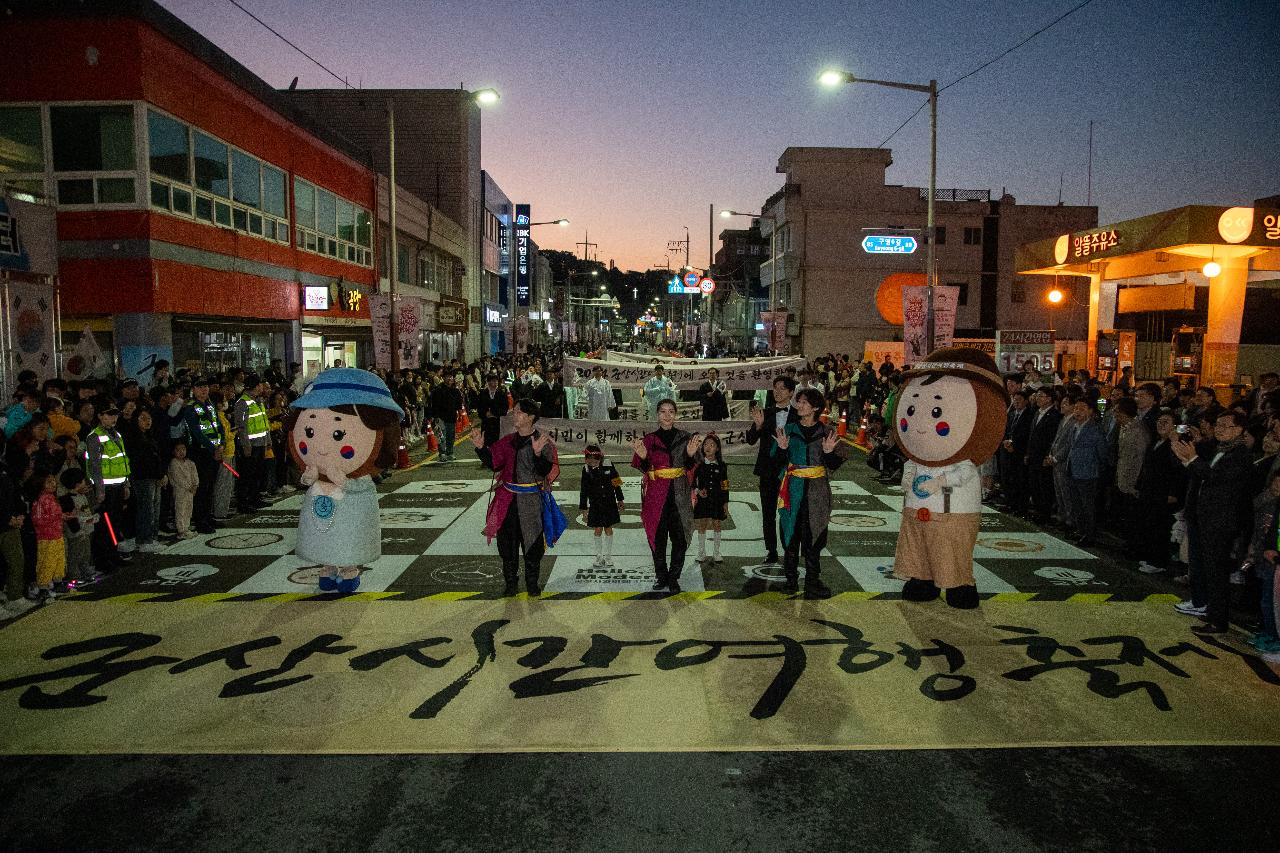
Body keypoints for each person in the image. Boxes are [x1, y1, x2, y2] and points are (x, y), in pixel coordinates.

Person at [1172, 410, 1254, 635]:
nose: (1218, 428)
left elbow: (1215, 478)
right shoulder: (1218, 449)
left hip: (1220, 521)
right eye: (1217, 424)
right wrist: (1189, 457)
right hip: (1203, 517)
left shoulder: (1241, 455)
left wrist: (1193, 459)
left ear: (1239, 430)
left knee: (1217, 572)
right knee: (1204, 567)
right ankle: (1206, 607)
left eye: (1224, 425)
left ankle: (1218, 620)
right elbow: (1201, 471)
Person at [472, 398, 561, 596]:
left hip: (531, 502)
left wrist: (537, 454)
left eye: (519, 412)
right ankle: (511, 583)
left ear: (530, 417)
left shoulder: (542, 442)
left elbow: (545, 471)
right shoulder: (507, 441)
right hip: (507, 500)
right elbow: (495, 463)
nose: (515, 415)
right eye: (514, 412)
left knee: (533, 543)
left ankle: (532, 583)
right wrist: (481, 449)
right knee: (507, 544)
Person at [772, 389, 845, 597]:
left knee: (815, 534)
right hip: (792, 489)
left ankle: (812, 582)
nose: (799, 405)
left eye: (804, 403)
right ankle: (791, 581)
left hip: (817, 491)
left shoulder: (827, 432)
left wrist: (830, 453)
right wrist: (782, 449)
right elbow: (777, 461)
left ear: (815, 408)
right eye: (799, 402)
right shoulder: (788, 429)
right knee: (790, 532)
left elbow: (835, 464)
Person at [631, 399, 700, 592]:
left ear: (676, 414)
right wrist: (644, 458)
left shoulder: (686, 438)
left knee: (680, 539)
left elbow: (692, 467)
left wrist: (690, 455)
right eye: (663, 411)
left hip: (679, 496)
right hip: (656, 497)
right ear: (657, 415)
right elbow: (643, 468)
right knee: (657, 538)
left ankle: (674, 577)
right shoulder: (649, 440)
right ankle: (661, 576)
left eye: (671, 411)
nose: (667, 415)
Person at [746, 376, 798, 564]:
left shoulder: (799, 415)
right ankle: (771, 550)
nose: (777, 391)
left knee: (789, 512)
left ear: (791, 392)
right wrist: (759, 426)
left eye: (782, 388)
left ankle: (789, 549)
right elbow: (751, 439)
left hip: (791, 472)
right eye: (775, 388)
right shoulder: (765, 413)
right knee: (768, 513)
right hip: (767, 471)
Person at [1133, 411, 1185, 575]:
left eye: (1166, 421)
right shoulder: (1155, 442)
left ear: (1175, 426)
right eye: (1160, 421)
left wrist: (1174, 492)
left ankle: (1158, 561)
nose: (1161, 424)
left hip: (1164, 492)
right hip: (1149, 489)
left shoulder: (1175, 445)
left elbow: (1179, 471)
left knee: (1160, 526)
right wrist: (1139, 484)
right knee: (1148, 522)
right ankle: (1149, 555)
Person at [84, 404, 133, 570]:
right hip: (105, 489)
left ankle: (113, 554)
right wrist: (99, 489)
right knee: (105, 525)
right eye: (109, 415)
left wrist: (126, 483)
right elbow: (94, 466)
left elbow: (123, 460)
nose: (113, 418)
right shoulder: (94, 436)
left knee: (115, 523)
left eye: (115, 415)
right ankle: (103, 560)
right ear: (100, 416)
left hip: (118, 486)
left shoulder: (116, 434)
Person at [180, 377, 226, 535]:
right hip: (200, 452)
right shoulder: (191, 408)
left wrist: (222, 444)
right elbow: (197, 432)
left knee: (210, 486)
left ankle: (207, 516)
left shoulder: (210, 405)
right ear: (193, 389)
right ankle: (200, 520)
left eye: (205, 386)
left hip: (215, 451)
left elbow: (218, 426)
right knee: (202, 487)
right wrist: (214, 448)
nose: (204, 389)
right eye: (200, 387)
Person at [1063, 398, 1109, 547]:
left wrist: (1097, 469)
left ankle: (1089, 535)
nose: (1078, 411)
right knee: (1076, 503)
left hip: (1088, 472)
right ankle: (1080, 530)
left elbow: (1102, 453)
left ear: (1090, 411)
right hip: (1072, 470)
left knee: (1087, 505)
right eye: (1076, 408)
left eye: (1082, 408)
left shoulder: (1095, 429)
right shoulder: (1074, 426)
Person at [125, 408, 167, 553]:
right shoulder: (134, 438)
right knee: (146, 509)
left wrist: (161, 474)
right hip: (143, 477)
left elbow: (156, 457)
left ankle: (152, 537)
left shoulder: (150, 436)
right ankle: (145, 540)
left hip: (154, 477)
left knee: (154, 508)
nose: (147, 421)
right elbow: (141, 460)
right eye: (143, 418)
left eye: (149, 418)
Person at [578, 444, 624, 568]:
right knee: (597, 529)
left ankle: (608, 557)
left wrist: (620, 499)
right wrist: (584, 508)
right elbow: (584, 489)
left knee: (608, 528)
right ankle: (599, 557)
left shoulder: (608, 463)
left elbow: (616, 481)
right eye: (588, 459)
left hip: (609, 503)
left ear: (600, 458)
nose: (591, 462)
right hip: (595, 505)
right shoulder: (585, 469)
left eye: (594, 459)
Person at [29, 472, 70, 601]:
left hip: (56, 534)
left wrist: (62, 516)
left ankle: (57, 582)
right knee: (47, 561)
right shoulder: (41, 500)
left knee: (59, 559)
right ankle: (43, 588)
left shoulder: (52, 497)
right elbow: (38, 519)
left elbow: (55, 514)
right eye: (49, 482)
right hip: (46, 537)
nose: (53, 484)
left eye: (53, 481)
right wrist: (56, 517)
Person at [1024, 387, 1062, 524]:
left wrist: (1048, 455)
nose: (1037, 398)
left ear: (1049, 398)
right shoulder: (1037, 413)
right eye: (1037, 396)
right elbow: (1031, 436)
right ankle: (1038, 511)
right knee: (1035, 485)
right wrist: (1028, 452)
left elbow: (1052, 439)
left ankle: (1044, 514)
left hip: (1044, 457)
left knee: (1044, 486)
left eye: (1041, 396)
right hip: (1033, 455)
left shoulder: (1054, 416)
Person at [234, 373, 271, 512]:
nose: (262, 387)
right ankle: (244, 502)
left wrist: (268, 440)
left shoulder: (258, 401)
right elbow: (241, 426)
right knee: (246, 475)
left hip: (260, 443)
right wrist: (245, 445)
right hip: (250, 445)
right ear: (256, 386)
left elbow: (264, 421)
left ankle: (255, 498)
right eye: (260, 384)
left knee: (257, 473)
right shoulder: (242, 403)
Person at [58, 468, 99, 587]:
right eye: (82, 481)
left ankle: (84, 569)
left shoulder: (82, 496)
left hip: (86, 530)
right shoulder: (67, 499)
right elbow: (71, 518)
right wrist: (79, 528)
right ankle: (74, 576)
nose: (85, 484)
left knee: (85, 552)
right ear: (77, 484)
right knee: (75, 554)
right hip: (76, 532)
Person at [693, 433, 729, 563]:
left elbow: (725, 485)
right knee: (702, 525)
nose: (708, 447)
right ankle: (701, 552)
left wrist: (725, 503)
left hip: (718, 500)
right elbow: (692, 483)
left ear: (717, 449)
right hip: (702, 501)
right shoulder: (698, 465)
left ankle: (716, 552)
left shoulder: (722, 465)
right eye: (706, 444)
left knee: (717, 524)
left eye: (712, 445)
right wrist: (698, 491)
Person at [430, 371, 464, 462]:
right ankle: (442, 453)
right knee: (441, 436)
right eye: (447, 377)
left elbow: (459, 403)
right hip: (440, 417)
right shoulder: (438, 390)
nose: (449, 379)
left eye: (451, 377)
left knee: (450, 436)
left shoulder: (456, 390)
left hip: (451, 416)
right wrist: (435, 416)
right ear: (443, 378)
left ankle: (450, 452)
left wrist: (460, 414)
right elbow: (434, 404)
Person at [167, 442, 199, 539]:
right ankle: (181, 530)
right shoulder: (174, 463)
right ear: (173, 452)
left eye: (183, 449)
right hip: (180, 491)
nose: (181, 452)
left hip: (190, 491)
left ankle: (186, 527)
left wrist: (195, 485)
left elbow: (195, 475)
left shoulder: (190, 462)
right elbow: (178, 478)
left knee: (189, 509)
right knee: (180, 509)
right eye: (178, 450)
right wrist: (189, 487)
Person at [476, 373, 509, 447]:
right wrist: (485, 413)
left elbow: (505, 408)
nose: (494, 383)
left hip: (497, 423)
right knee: (485, 444)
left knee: (497, 444)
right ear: (488, 382)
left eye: (495, 381)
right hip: (486, 423)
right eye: (491, 381)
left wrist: (494, 413)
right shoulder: (482, 393)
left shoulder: (502, 393)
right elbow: (479, 408)